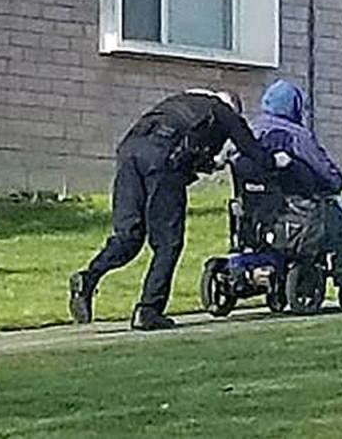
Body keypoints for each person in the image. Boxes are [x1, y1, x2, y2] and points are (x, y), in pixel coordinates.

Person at [69, 89, 288, 331]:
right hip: (162, 165)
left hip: (129, 153)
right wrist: (275, 162)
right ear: (233, 107)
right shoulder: (224, 112)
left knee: (128, 236)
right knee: (168, 243)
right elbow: (250, 149)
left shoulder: (178, 103)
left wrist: (209, 164)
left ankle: (87, 278)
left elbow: (184, 145)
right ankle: (148, 310)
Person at [252, 79, 342, 309]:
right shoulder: (298, 136)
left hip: (259, 215)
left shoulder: (251, 132)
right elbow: (330, 177)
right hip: (302, 212)